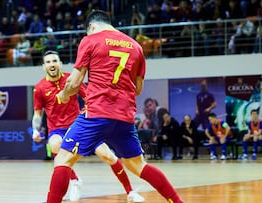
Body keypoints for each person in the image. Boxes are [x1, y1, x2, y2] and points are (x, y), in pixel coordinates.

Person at [47, 10, 184, 203]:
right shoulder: (136, 47)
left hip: (96, 113)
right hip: (125, 117)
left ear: (92, 27)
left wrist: (63, 94)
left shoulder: (91, 40)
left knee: (62, 160)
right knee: (139, 166)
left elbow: (74, 83)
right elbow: (137, 89)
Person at [33, 50, 144, 202]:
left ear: (60, 64)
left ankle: (130, 192)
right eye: (48, 62)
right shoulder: (39, 88)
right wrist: (35, 130)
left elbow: (90, 98)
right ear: (43, 66)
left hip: (80, 127)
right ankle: (75, 180)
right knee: (55, 145)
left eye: (54, 61)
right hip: (58, 129)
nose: (51, 64)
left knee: (108, 156)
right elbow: (38, 114)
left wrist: (92, 115)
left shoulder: (72, 80)